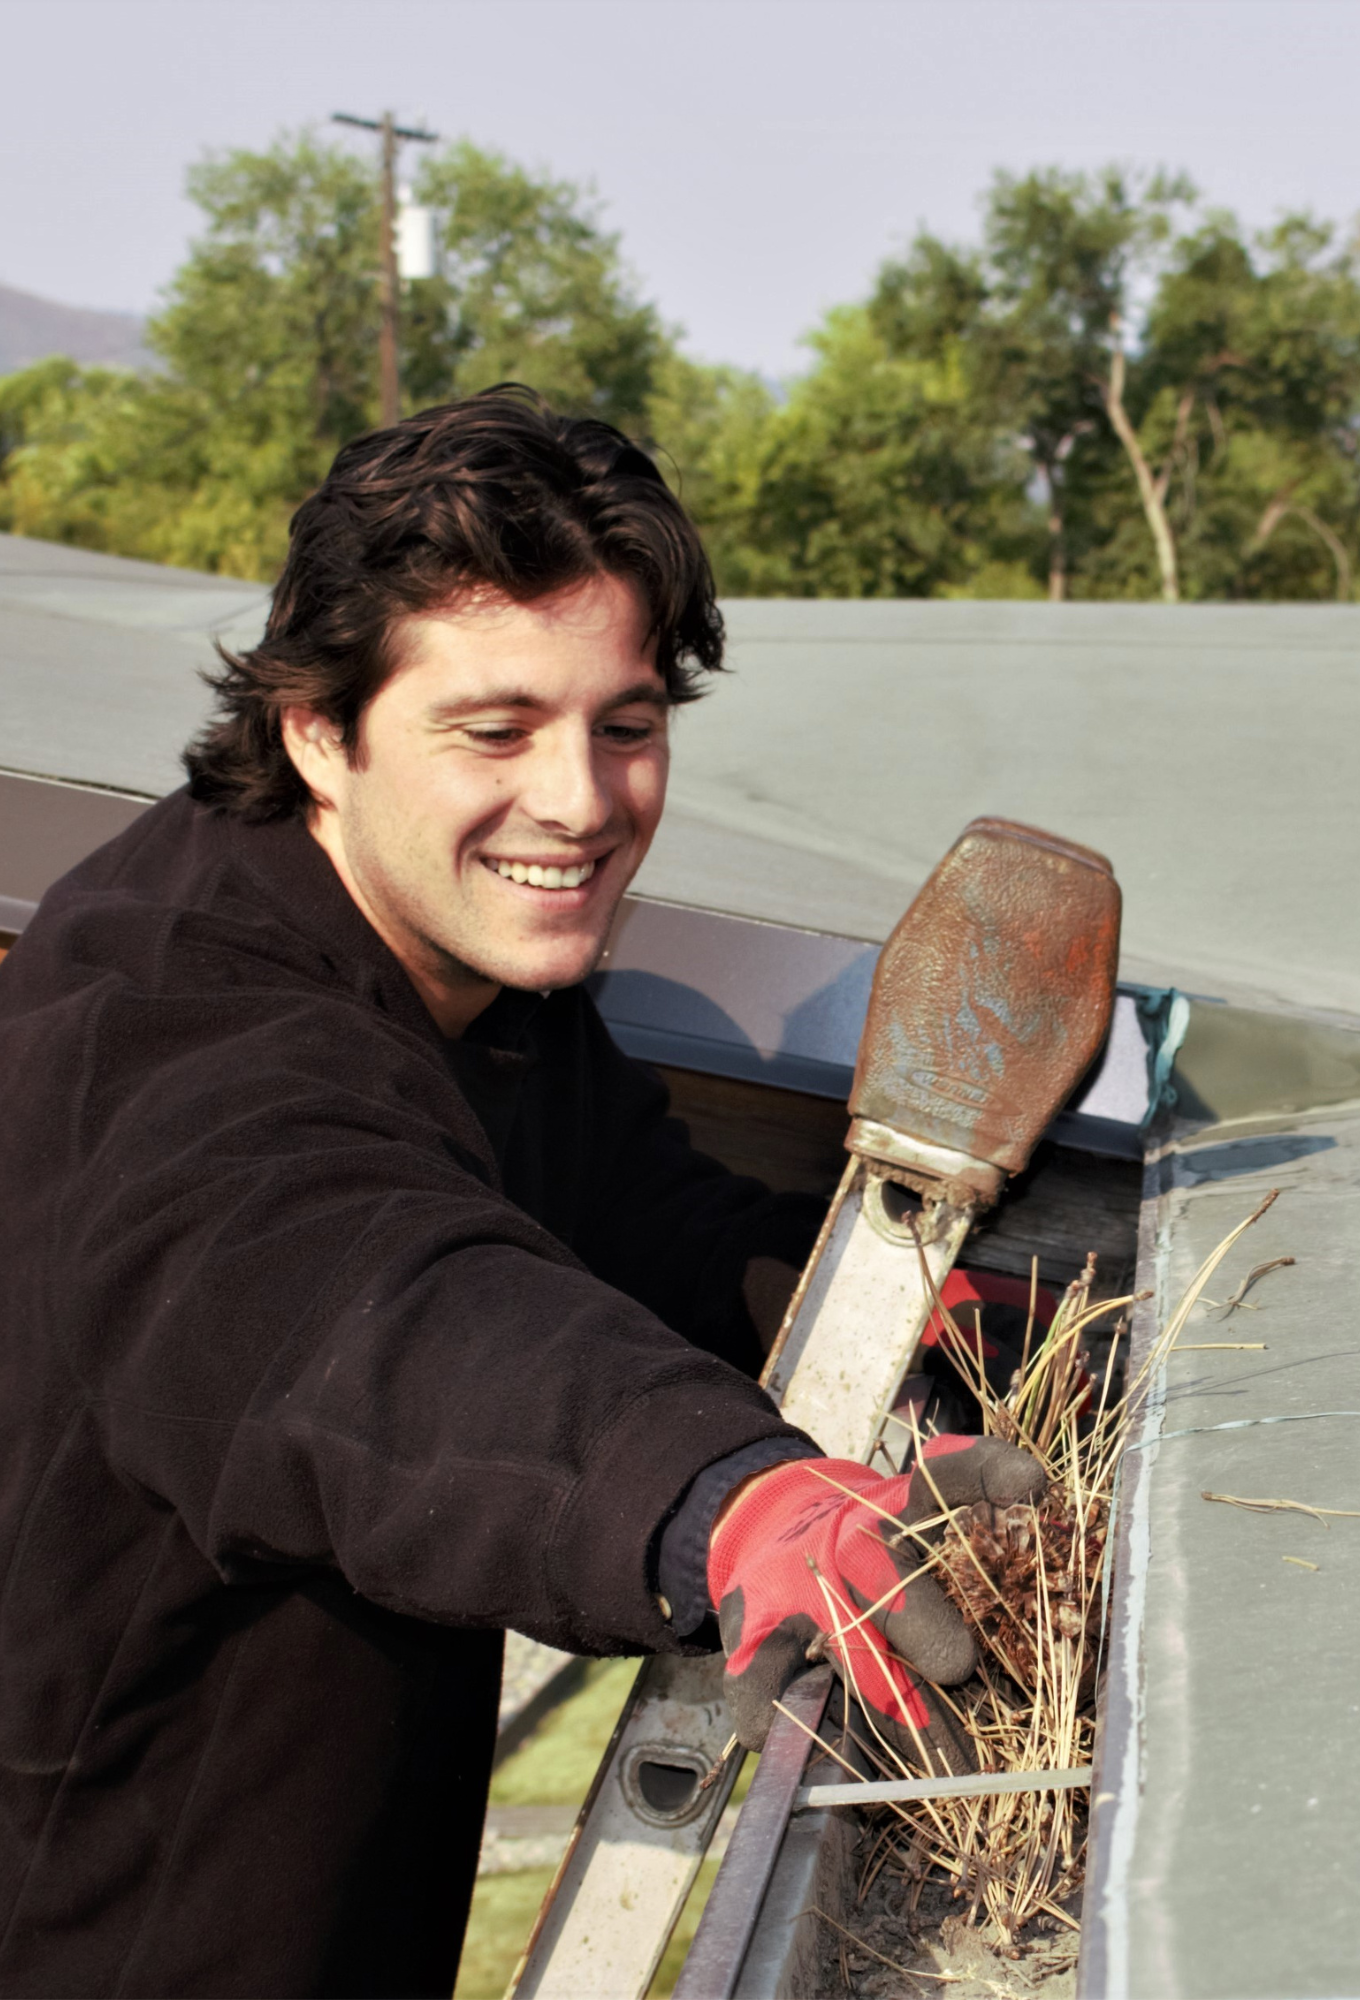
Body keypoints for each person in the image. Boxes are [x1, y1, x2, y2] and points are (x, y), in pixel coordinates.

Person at [0, 387, 1037, 1999]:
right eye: (494, 732)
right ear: (318, 733)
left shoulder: (483, 986)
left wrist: (947, 1328)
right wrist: (728, 1496)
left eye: (625, 726)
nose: (579, 800)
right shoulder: (165, 1031)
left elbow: (641, 1231)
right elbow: (380, 1318)